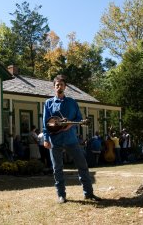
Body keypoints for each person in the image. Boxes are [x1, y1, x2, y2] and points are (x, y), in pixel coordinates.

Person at [42, 75, 101, 204]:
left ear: (65, 87)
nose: (59, 87)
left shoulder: (72, 102)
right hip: (54, 140)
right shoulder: (48, 103)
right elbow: (46, 123)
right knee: (57, 168)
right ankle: (61, 195)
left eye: (61, 85)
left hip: (71, 139)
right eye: (57, 85)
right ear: (54, 87)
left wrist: (70, 124)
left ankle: (89, 193)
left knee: (82, 165)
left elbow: (79, 118)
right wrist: (46, 139)